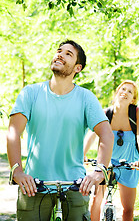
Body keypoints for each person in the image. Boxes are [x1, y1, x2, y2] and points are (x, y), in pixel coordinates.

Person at [6, 40, 114, 221]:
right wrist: (17, 171)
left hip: (75, 186)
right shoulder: (30, 93)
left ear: (77, 68)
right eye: (59, 51)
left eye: (68, 54)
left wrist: (99, 171)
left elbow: (106, 134)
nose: (60, 55)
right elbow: (13, 132)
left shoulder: (86, 97)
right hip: (34, 185)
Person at [84, 80, 139, 221]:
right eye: (123, 89)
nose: (125, 92)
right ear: (117, 92)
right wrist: (82, 154)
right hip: (105, 162)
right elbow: (91, 136)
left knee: (128, 209)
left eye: (130, 91)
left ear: (133, 99)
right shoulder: (105, 113)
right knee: (96, 200)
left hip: (130, 163)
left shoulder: (137, 112)